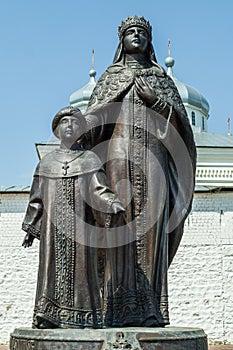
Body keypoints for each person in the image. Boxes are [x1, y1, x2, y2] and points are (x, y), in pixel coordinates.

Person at [85, 16, 196, 327]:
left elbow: (180, 127)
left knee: (152, 228)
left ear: (150, 41)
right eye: (130, 33)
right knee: (117, 227)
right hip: (118, 156)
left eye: (142, 33)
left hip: (155, 160)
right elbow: (92, 120)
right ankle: (114, 309)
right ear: (122, 41)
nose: (136, 36)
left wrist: (156, 102)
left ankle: (150, 309)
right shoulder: (110, 77)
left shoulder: (160, 80)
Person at [22, 106, 125, 329]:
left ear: (81, 130)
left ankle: (84, 317)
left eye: (75, 122)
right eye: (65, 122)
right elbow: (36, 198)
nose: (70, 126)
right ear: (57, 130)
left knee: (82, 270)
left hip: (81, 227)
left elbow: (99, 190)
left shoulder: (89, 160)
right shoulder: (46, 163)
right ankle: (48, 315)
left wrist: (112, 203)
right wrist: (31, 227)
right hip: (53, 229)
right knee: (50, 270)